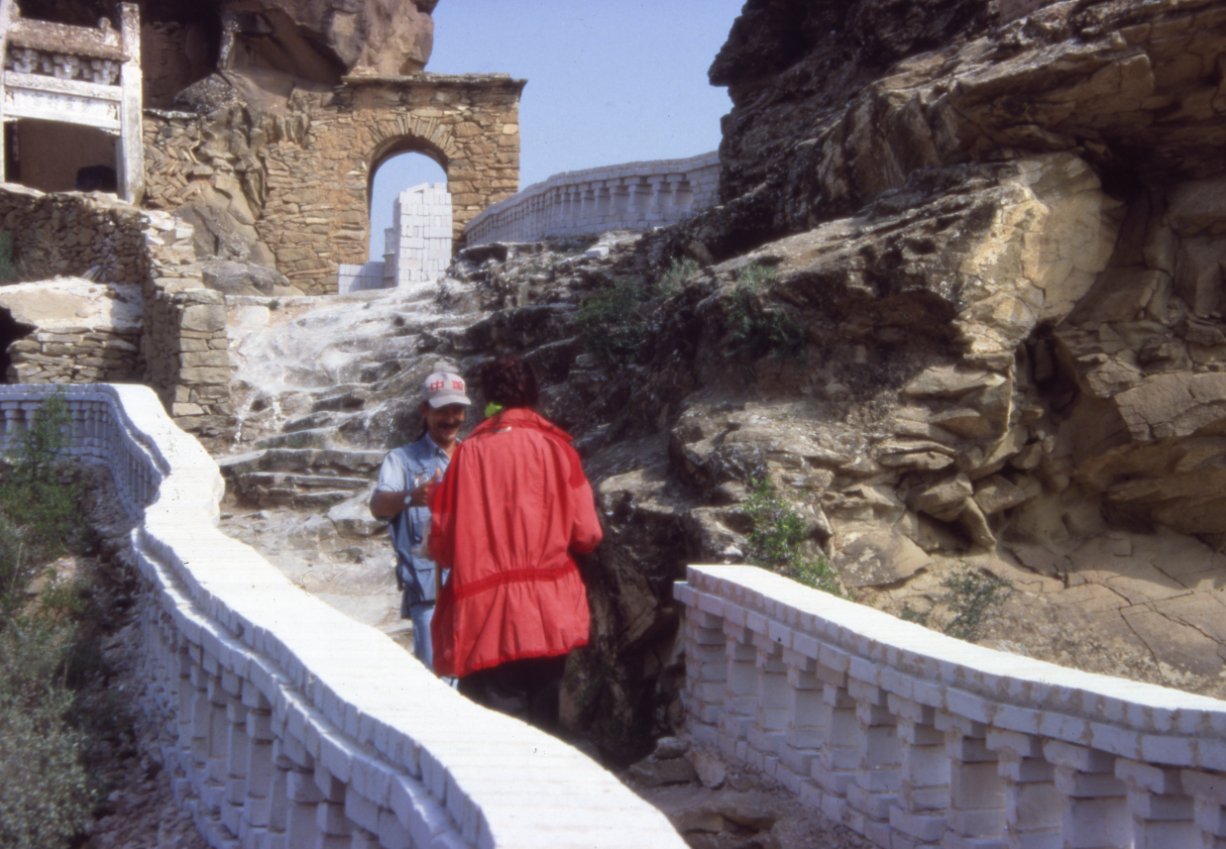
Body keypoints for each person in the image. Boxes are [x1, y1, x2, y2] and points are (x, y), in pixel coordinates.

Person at [428, 355, 603, 727]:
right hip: (548, 609)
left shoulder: (468, 454)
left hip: (485, 612)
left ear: (490, 398)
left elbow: (441, 545)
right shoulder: (559, 450)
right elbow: (587, 534)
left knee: (494, 728)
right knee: (544, 724)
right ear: (533, 394)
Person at [369, 369, 470, 669]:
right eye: (442, 411)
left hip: (472, 588)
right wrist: (411, 497)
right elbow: (378, 505)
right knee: (438, 677)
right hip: (429, 594)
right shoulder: (400, 460)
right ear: (424, 411)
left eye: (457, 410)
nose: (450, 419)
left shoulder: (473, 456)